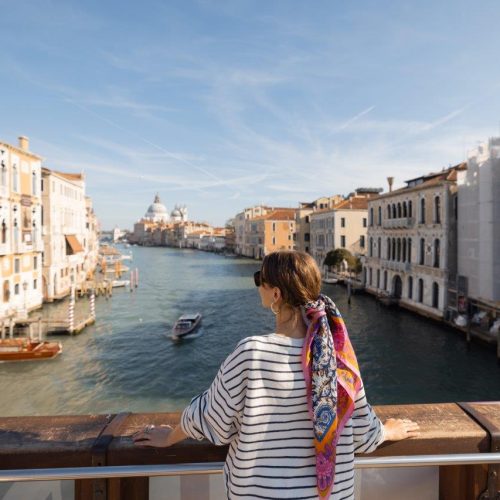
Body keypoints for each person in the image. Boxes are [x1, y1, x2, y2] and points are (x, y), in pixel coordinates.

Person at [134, 250, 419, 499]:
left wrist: (170, 437)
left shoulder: (251, 353)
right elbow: (361, 429)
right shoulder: (338, 356)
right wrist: (387, 430)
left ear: (276, 294)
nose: (257, 285)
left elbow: (212, 419)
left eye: (260, 279)